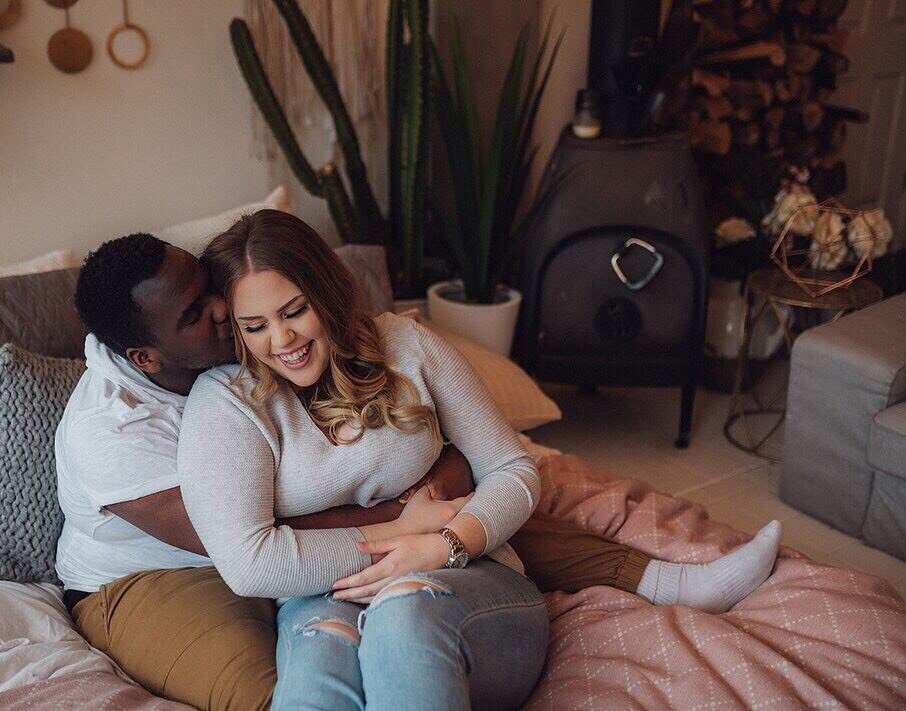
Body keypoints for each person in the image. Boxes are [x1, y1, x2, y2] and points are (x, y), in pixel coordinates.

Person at [58, 229, 782, 710]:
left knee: (417, 596)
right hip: (160, 574)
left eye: (288, 309)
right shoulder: (127, 428)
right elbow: (247, 551)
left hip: (401, 567)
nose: (232, 316)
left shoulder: (397, 345)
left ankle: (664, 577)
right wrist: (410, 520)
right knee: (293, 679)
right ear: (148, 355)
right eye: (226, 319)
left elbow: (506, 465)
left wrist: (444, 527)